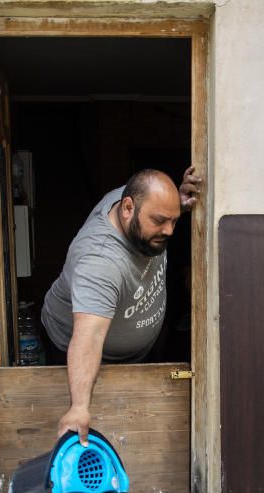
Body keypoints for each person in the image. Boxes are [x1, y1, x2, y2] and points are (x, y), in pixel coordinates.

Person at [41, 167, 201, 445]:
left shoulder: (131, 201)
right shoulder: (100, 261)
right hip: (78, 350)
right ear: (128, 208)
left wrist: (179, 203)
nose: (170, 231)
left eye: (173, 220)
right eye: (160, 221)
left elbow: (158, 207)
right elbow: (89, 336)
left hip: (134, 350)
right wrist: (78, 407)